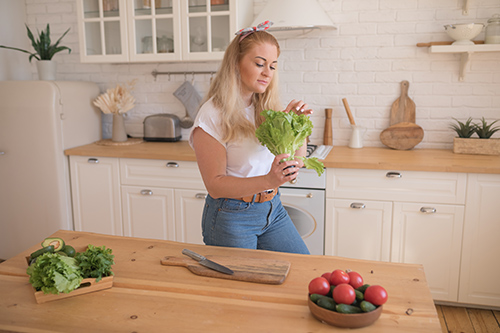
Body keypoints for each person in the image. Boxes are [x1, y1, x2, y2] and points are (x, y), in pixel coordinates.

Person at [189, 21, 312, 254]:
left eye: (273, 66)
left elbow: (299, 159)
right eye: (259, 64)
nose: (267, 73)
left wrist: (298, 125)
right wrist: (269, 180)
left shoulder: (264, 107)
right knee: (242, 288)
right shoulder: (212, 115)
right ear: (236, 63)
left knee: (300, 268)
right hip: (231, 216)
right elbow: (215, 185)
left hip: (272, 209)